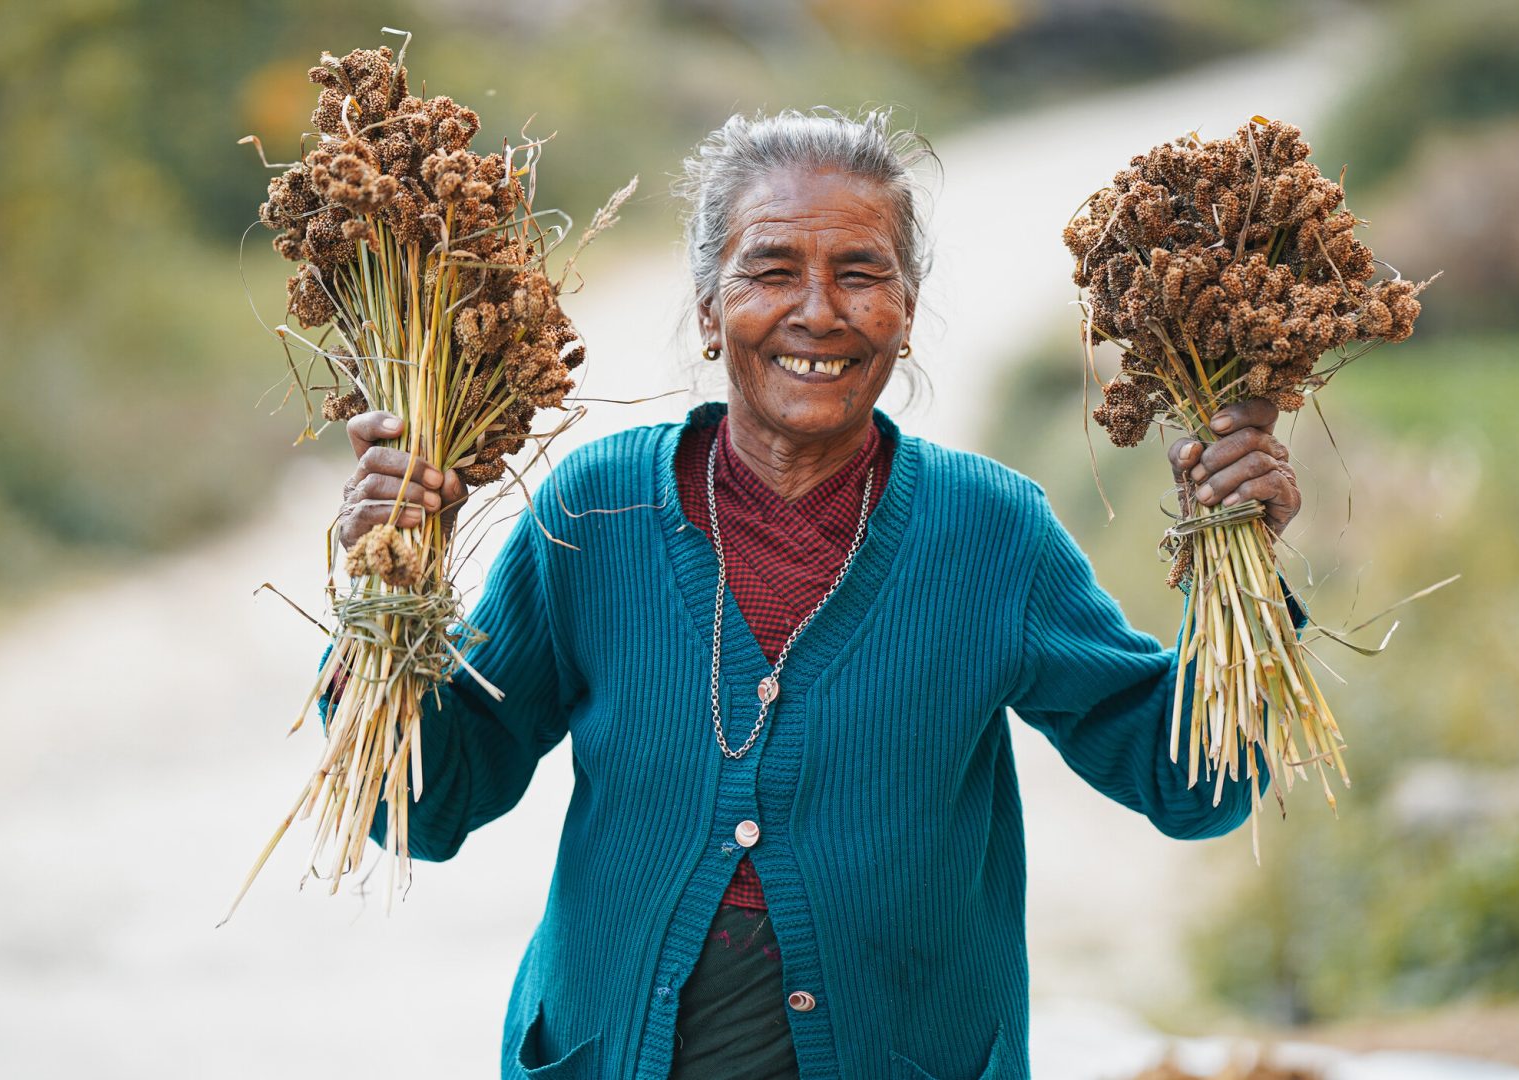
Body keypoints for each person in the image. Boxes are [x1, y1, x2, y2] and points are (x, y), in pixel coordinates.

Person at [330, 108, 1305, 1080]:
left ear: (909, 310)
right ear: (710, 309)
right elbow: (432, 802)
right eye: (771, 270)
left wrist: (1244, 564)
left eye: (861, 272)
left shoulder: (990, 534)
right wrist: (385, 591)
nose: (818, 311)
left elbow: (1195, 788)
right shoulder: (595, 515)